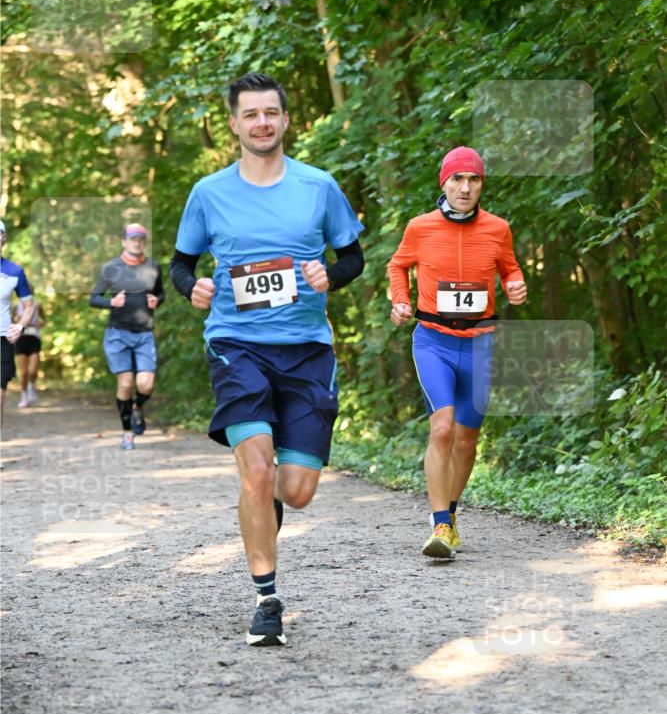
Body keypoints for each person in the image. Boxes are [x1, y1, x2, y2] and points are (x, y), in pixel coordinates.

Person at [170, 72, 364, 647]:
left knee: (296, 489)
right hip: (236, 344)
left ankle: (267, 505)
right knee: (256, 472)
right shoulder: (209, 192)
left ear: (285, 120)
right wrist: (192, 288)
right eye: (250, 114)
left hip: (307, 350)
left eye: (271, 113)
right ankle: (267, 598)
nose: (262, 123)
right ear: (234, 124)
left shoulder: (318, 186)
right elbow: (180, 264)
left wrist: (331, 274)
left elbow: (351, 255)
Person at [388, 146, 527, 559]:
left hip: (481, 342)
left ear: (482, 184)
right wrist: (400, 300)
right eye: (457, 179)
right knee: (443, 427)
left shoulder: (498, 229)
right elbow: (398, 265)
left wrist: (515, 285)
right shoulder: (420, 227)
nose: (465, 188)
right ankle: (439, 524)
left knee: (467, 439)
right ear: (443, 182)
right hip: (434, 340)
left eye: (474, 180)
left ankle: (450, 514)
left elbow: (510, 267)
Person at [90, 223, 164, 449]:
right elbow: (94, 298)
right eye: (132, 238)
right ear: (124, 241)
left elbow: (161, 293)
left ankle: (137, 407)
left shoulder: (153, 267)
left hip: (144, 334)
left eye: (140, 238)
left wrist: (157, 300)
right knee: (125, 384)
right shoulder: (111, 268)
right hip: (117, 334)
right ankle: (127, 433)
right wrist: (111, 302)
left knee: (146, 385)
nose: (137, 242)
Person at [1, 220, 34, 423]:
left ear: (3, 238)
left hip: (2, 340)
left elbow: (29, 306)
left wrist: (21, 325)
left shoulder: (15, 272)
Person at [14, 296, 45, 408]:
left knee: (32, 371)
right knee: (23, 373)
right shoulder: (16, 307)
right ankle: (24, 396)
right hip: (21, 339)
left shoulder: (37, 306)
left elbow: (43, 321)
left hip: (34, 339)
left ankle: (31, 387)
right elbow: (12, 322)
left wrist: (38, 324)